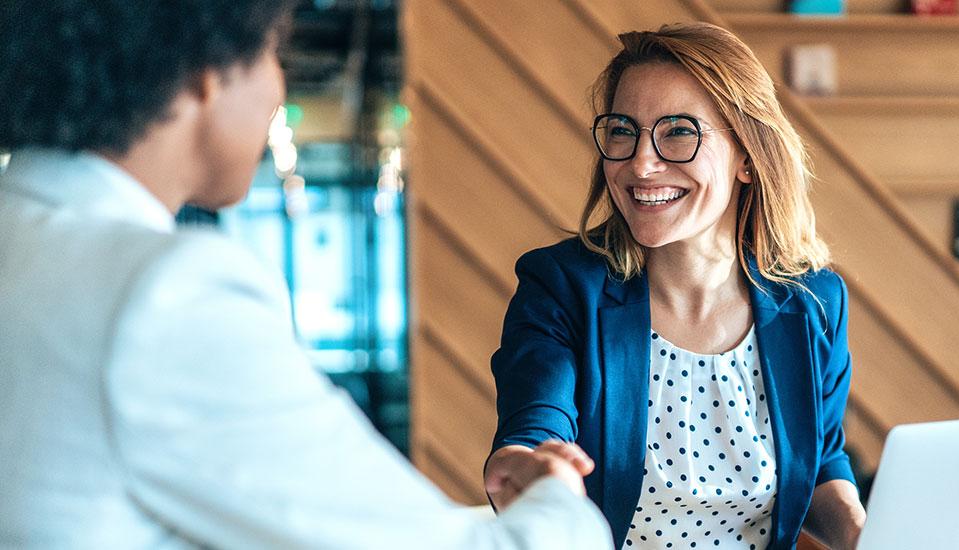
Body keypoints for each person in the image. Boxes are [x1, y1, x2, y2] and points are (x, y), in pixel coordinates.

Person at [0, 1, 610, 548]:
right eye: (273, 53)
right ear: (204, 77)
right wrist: (559, 496)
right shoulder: (162, 295)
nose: (278, 87)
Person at [484, 23, 867, 550]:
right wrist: (527, 468)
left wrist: (864, 533)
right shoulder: (562, 285)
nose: (641, 163)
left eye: (679, 132)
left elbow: (822, 459)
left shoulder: (815, 301)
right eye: (622, 131)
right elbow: (536, 427)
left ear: (749, 158)